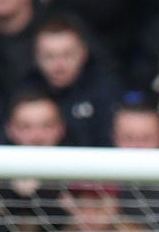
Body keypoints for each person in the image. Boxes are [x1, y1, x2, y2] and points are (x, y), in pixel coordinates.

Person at [27, 14, 121, 148]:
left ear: (83, 53)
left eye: (68, 55)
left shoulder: (106, 90)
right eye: (49, 56)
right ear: (36, 57)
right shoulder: (24, 91)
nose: (59, 66)